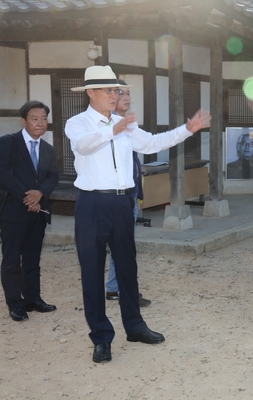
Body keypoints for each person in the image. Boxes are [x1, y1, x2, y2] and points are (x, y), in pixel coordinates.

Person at [65, 65, 211, 363]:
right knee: (92, 273)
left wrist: (188, 129)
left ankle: (134, 326)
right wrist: (112, 130)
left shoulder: (125, 124)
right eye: (109, 90)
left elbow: (153, 143)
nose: (114, 94)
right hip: (93, 204)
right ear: (91, 93)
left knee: (127, 268)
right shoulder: (77, 123)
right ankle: (102, 338)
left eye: (116, 90)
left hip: (122, 203)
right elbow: (84, 145)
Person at [0, 101, 59, 322]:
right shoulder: (8, 143)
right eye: (35, 118)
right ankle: (15, 304)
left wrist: (40, 194)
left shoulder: (48, 149)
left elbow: (53, 176)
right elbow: (3, 173)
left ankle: (33, 298)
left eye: (44, 118)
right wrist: (28, 196)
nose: (40, 123)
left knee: (33, 259)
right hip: (13, 212)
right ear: (24, 121)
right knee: (12, 259)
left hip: (38, 212)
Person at [104, 81, 151, 307]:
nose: (126, 97)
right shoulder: (106, 125)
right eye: (120, 93)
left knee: (124, 244)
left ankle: (115, 287)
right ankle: (119, 288)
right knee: (121, 245)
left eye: (128, 93)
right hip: (113, 196)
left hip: (130, 193)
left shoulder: (129, 125)